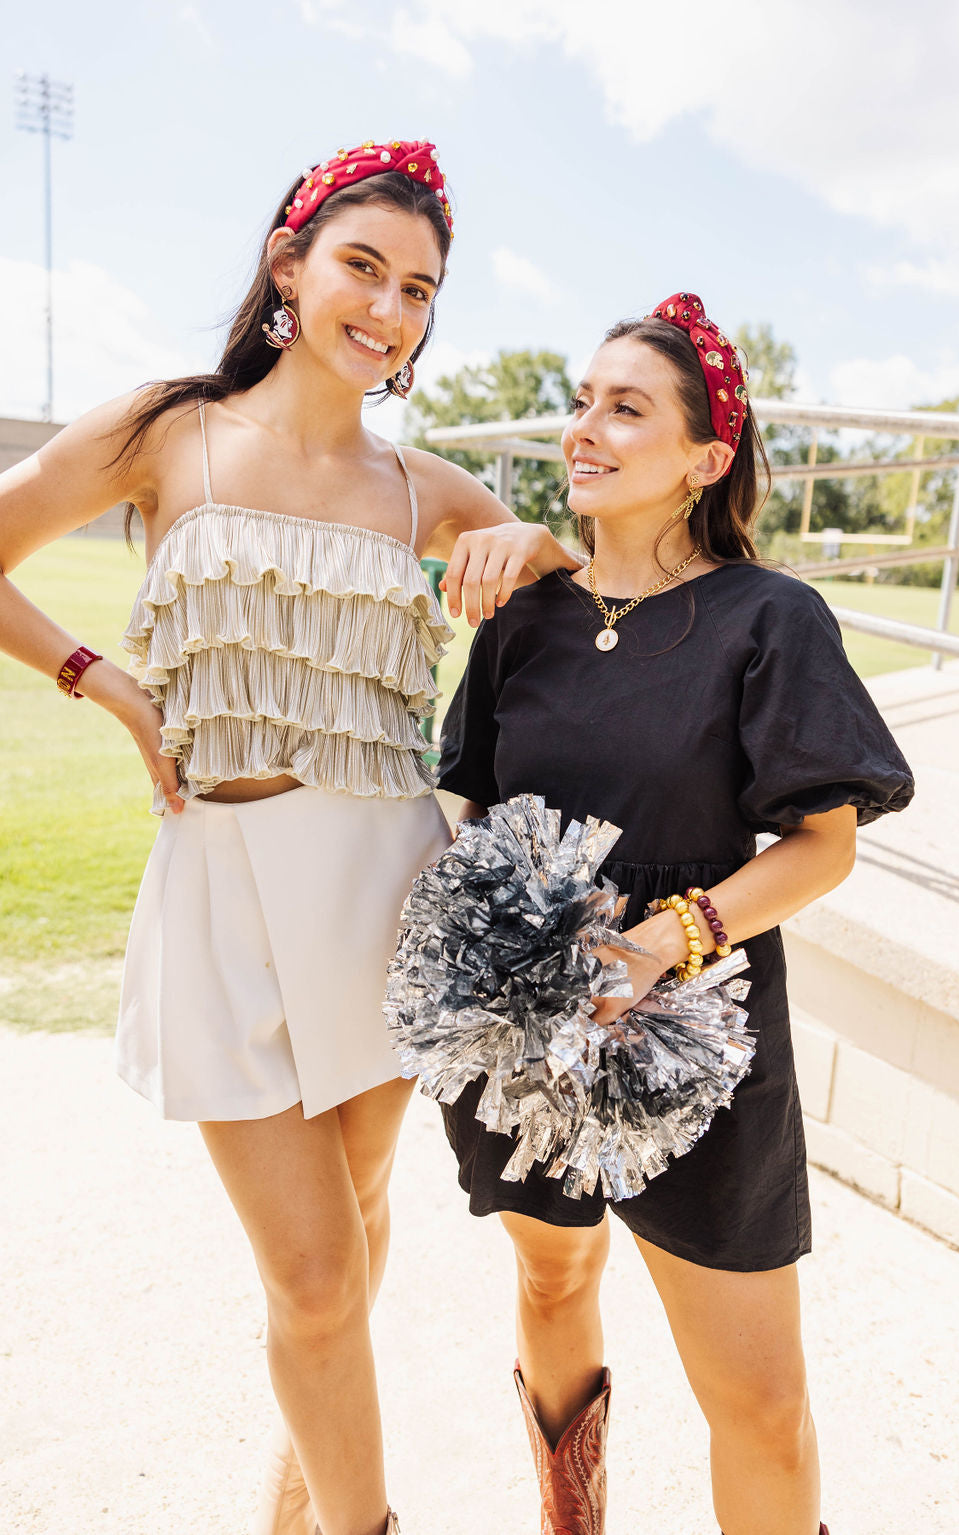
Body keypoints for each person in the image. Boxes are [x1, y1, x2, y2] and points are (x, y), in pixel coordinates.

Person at [0, 139, 579, 1535]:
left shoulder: (425, 487)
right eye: (362, 266)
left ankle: (293, 1503)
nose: (386, 308)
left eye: (419, 290)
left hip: (383, 896)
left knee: (363, 1220)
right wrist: (112, 685)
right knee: (317, 1278)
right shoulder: (165, 430)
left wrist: (535, 543)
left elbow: (581, 601)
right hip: (219, 889)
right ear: (290, 265)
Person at [435, 291, 914, 1535]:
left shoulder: (770, 616)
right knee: (552, 1275)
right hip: (521, 1026)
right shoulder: (522, 622)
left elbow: (822, 845)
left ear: (705, 459)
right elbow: (463, 802)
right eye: (584, 402)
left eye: (626, 408)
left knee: (757, 1397)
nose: (585, 428)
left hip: (700, 1030)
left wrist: (665, 939)